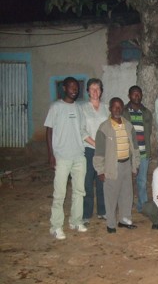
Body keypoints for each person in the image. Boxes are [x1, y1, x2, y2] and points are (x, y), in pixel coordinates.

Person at [44, 77, 87, 240]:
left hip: (78, 156)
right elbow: (49, 131)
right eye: (71, 87)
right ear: (64, 88)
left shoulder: (79, 108)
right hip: (62, 157)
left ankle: (75, 221)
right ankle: (55, 226)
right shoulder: (56, 107)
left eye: (76, 87)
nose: (74, 90)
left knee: (79, 191)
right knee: (59, 193)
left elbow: (82, 131)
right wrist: (51, 155)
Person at [93, 97, 140, 234]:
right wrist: (100, 170)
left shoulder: (128, 126)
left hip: (126, 164)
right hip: (112, 167)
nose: (117, 109)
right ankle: (111, 224)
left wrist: (135, 165)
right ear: (110, 109)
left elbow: (135, 148)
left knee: (127, 195)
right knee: (111, 196)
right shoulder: (104, 128)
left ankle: (124, 221)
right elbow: (99, 152)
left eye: (120, 107)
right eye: (115, 106)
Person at [81, 78, 109, 225]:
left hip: (104, 150)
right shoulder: (83, 109)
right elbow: (82, 130)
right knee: (87, 182)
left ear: (101, 91)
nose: (95, 92)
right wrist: (95, 143)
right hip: (89, 150)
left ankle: (102, 211)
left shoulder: (106, 108)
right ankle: (86, 213)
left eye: (97, 88)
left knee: (102, 181)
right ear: (87, 92)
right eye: (92, 89)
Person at [123, 85, 153, 213]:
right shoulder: (123, 112)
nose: (137, 96)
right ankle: (126, 207)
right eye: (134, 94)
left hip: (143, 153)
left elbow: (148, 132)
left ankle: (143, 206)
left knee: (142, 181)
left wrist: (148, 152)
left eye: (139, 94)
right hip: (128, 154)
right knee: (127, 182)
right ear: (129, 96)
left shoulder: (146, 113)